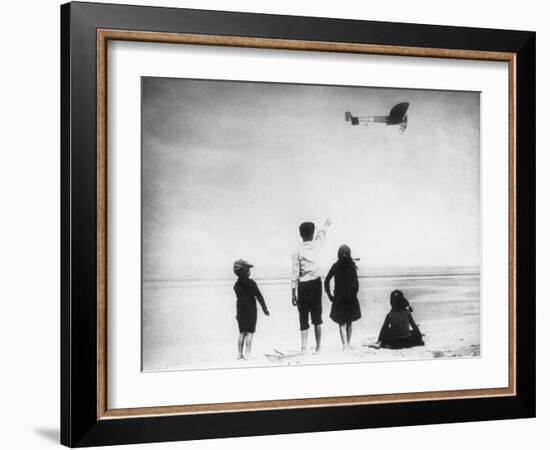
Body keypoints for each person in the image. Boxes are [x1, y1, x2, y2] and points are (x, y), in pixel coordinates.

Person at [291, 218, 331, 353]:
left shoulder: (296, 251)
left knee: (303, 317)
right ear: (312, 233)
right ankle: (318, 347)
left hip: (303, 286)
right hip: (315, 284)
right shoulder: (316, 245)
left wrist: (293, 294)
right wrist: (325, 225)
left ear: (300, 234)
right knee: (317, 317)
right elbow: (322, 235)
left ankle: (304, 348)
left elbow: (295, 274)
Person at [324, 244, 362, 351]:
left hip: (339, 298)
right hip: (350, 298)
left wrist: (329, 295)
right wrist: (354, 294)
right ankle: (348, 345)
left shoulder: (336, 266)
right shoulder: (352, 266)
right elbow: (356, 284)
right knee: (349, 322)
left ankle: (345, 346)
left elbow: (326, 281)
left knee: (342, 323)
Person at [233, 259, 269, 360]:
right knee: (250, 332)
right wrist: (265, 309)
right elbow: (259, 296)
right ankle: (247, 354)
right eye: (248, 269)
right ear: (246, 271)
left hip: (240, 309)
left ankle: (239, 354)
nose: (250, 271)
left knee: (241, 332)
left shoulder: (236, 285)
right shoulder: (251, 283)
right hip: (251, 309)